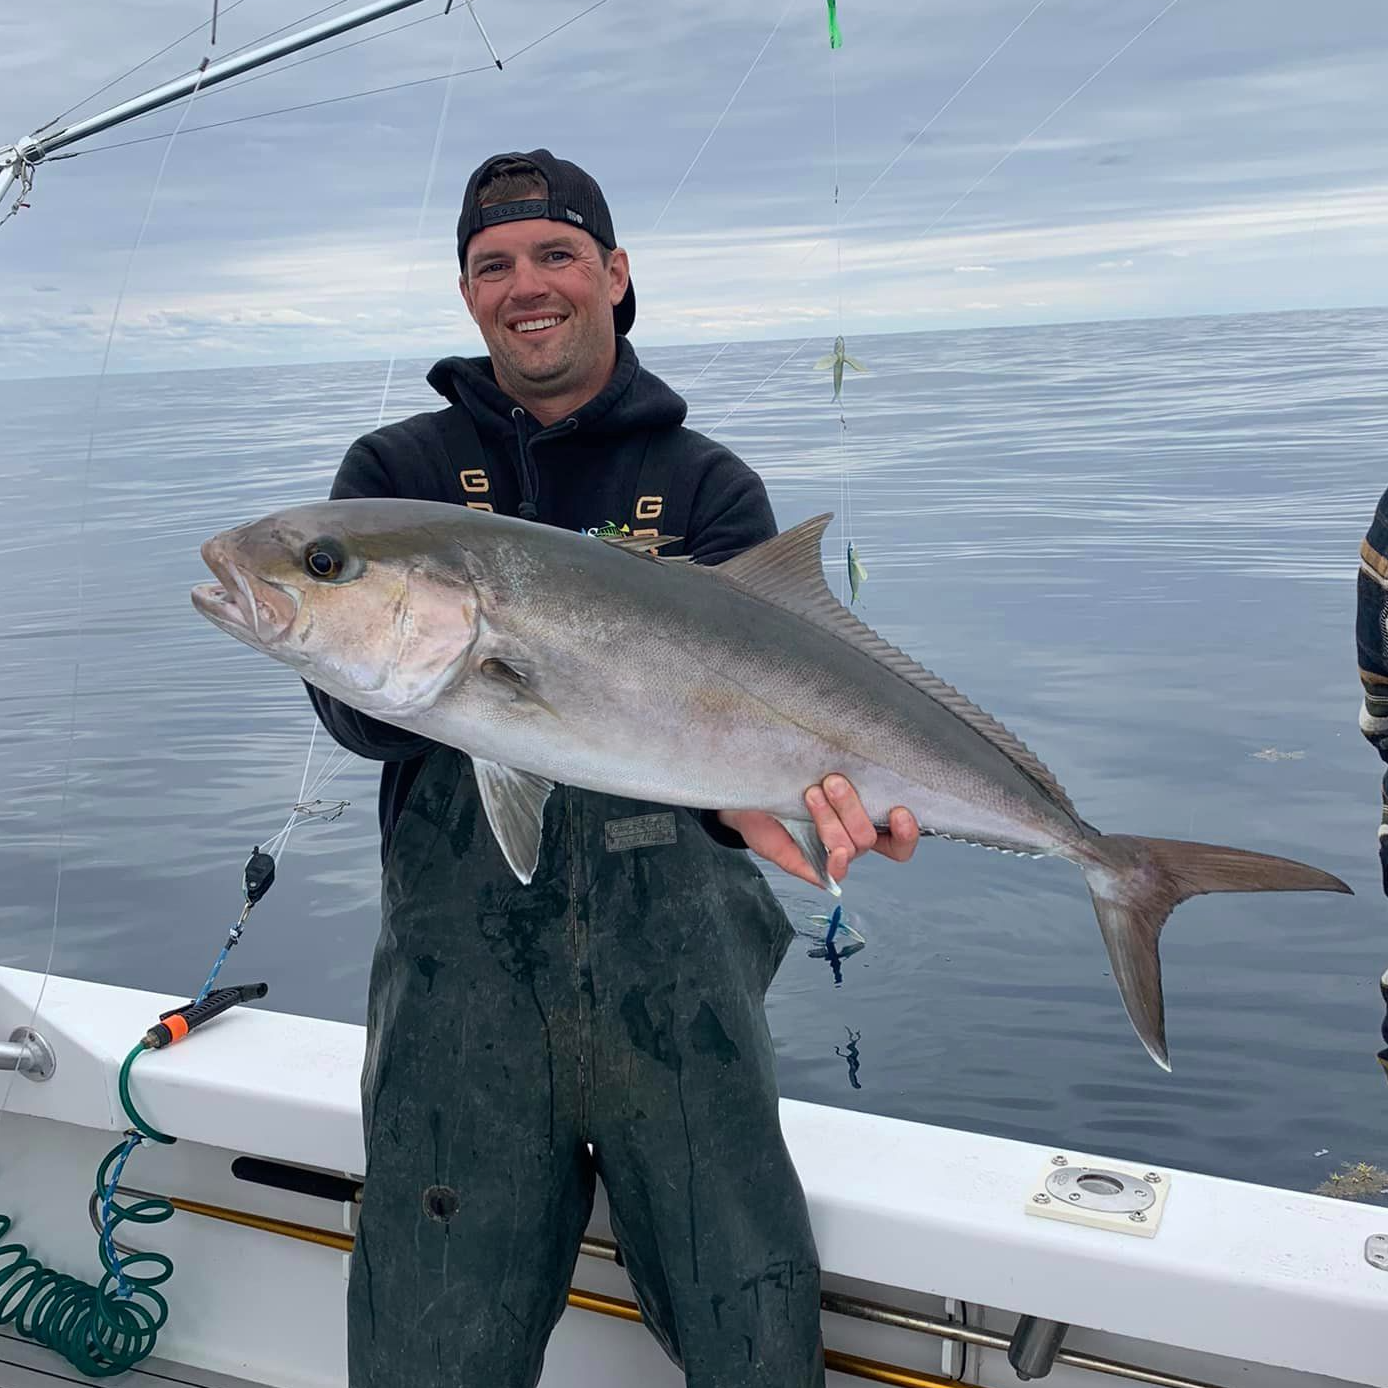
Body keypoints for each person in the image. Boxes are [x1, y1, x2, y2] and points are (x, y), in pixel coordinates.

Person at [307, 148, 919, 1387]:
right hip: (457, 993)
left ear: (614, 273)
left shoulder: (700, 484)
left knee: (749, 1328)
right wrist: (407, 655)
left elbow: (752, 755)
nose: (524, 284)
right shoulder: (397, 477)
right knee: (429, 1342)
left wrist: (796, 813)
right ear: (468, 293)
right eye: (492, 264)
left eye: (554, 254)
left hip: (680, 987)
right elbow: (366, 729)